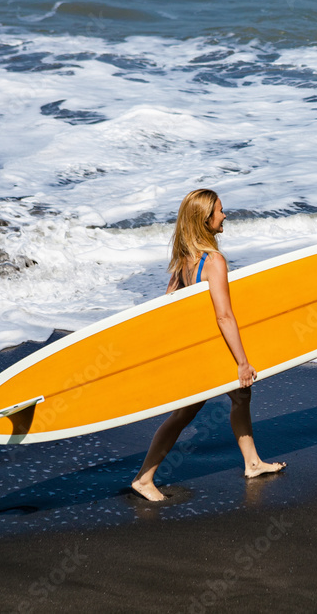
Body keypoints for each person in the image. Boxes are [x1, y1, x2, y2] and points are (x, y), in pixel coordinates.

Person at [131, 188, 285, 501]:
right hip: (211, 350)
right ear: (206, 219)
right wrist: (242, 361)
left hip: (200, 347)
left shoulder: (183, 260)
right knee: (184, 415)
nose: (224, 215)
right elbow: (224, 316)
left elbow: (169, 303)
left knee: (241, 396)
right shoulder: (214, 261)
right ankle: (144, 479)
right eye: (220, 210)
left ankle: (252, 462)